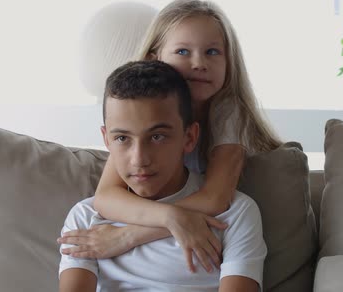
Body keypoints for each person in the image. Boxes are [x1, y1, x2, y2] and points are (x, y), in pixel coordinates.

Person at [58, 0, 281, 273]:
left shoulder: (228, 111)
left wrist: (128, 236)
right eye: (183, 52)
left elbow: (214, 200)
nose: (199, 63)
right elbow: (106, 197)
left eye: (212, 52)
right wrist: (170, 216)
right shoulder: (139, 117)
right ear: (155, 58)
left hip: (224, 223)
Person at [58, 60, 266, 291]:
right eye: (122, 138)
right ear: (106, 139)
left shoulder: (234, 213)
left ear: (189, 137)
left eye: (157, 137)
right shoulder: (86, 218)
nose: (139, 159)